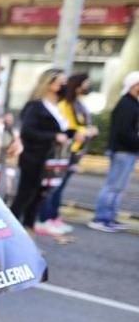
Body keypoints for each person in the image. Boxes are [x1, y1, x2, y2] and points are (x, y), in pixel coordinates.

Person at [10, 68, 69, 233]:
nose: (65, 86)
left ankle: (28, 232)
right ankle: (10, 232)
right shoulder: (35, 106)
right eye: (61, 83)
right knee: (25, 195)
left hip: (49, 160)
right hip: (33, 157)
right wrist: (53, 136)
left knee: (38, 197)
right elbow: (28, 131)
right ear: (49, 84)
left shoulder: (56, 107)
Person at [37, 74, 97, 235]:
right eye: (85, 83)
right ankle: (44, 218)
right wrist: (86, 131)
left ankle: (52, 216)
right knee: (53, 187)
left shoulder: (77, 104)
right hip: (65, 151)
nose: (87, 86)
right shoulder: (64, 104)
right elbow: (68, 127)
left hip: (75, 150)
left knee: (58, 187)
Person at [89, 71, 139, 233]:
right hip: (122, 151)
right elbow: (124, 131)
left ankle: (109, 217)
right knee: (112, 186)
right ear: (133, 85)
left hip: (127, 151)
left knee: (118, 187)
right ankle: (100, 218)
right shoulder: (126, 103)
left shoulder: (132, 102)